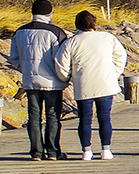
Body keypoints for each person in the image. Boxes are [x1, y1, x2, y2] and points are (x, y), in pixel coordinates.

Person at [53, 10, 128, 161]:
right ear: (94, 23)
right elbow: (121, 56)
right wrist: (114, 73)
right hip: (105, 83)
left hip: (83, 84)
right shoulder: (107, 37)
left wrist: (66, 78)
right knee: (104, 118)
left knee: (85, 119)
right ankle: (106, 150)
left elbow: (61, 65)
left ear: (77, 24)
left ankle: (86, 151)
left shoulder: (71, 42)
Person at [7, 0, 69, 160]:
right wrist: (64, 76)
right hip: (52, 82)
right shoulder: (55, 32)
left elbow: (13, 58)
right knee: (52, 116)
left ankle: (36, 152)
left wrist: (26, 69)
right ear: (50, 12)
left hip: (29, 81)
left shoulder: (19, 31)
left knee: (34, 117)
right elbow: (62, 58)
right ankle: (53, 152)